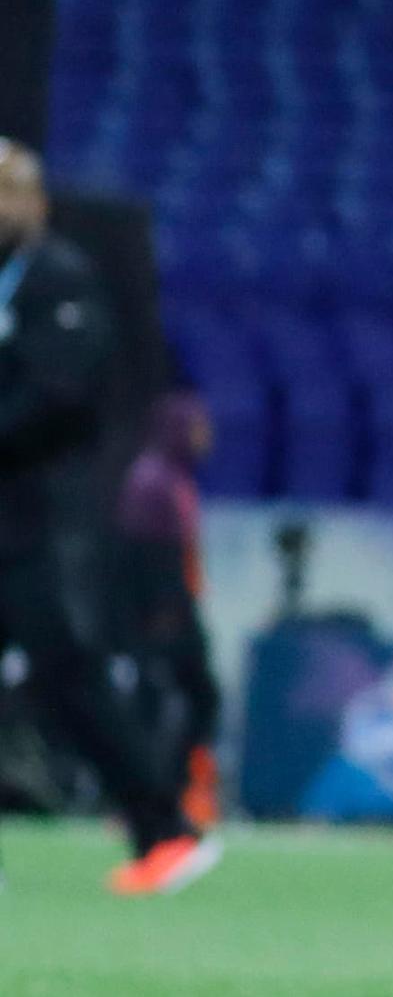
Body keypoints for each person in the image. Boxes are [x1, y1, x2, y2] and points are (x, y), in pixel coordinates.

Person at [0, 141, 217, 894]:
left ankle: (163, 827)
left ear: (35, 204)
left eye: (5, 193)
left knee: (68, 671)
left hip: (38, 520)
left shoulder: (60, 281)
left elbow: (58, 397)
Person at [113, 388, 226, 834]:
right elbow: (145, 560)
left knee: (193, 702)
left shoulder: (173, 478)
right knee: (166, 707)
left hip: (177, 612)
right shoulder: (153, 482)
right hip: (162, 620)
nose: (206, 436)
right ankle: (150, 801)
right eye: (198, 426)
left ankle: (171, 795)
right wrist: (161, 617)